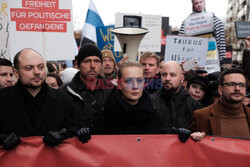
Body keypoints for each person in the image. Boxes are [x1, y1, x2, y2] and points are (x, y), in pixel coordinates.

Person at [0, 48, 90, 150]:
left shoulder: (64, 100)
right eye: (29, 68)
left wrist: (63, 135)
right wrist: (3, 139)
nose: (37, 72)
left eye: (41, 67)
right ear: (16, 73)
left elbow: (74, 130)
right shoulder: (2, 99)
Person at [59, 44, 112, 134]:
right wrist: (72, 131)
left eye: (96, 61)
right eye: (87, 61)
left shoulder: (111, 90)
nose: (92, 66)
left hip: (105, 146)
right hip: (75, 146)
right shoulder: (63, 92)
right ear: (79, 65)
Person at [190, 68, 250, 140]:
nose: (237, 88)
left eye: (242, 85)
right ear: (220, 90)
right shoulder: (201, 116)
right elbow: (191, 148)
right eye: (231, 84)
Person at [103, 61, 161, 134]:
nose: (135, 86)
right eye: (128, 81)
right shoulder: (104, 117)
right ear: (119, 84)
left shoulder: (154, 116)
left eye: (139, 81)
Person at [151, 61, 203, 137]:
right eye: (164, 75)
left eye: (172, 75)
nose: (167, 78)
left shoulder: (195, 106)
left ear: (181, 79)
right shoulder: (151, 101)